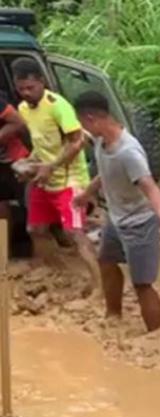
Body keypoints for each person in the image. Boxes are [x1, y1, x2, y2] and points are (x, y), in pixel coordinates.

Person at [72, 91, 160, 331]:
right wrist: (87, 193)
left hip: (140, 221)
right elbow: (105, 172)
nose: (81, 127)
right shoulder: (101, 141)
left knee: (142, 284)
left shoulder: (129, 152)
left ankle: (156, 336)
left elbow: (150, 188)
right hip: (116, 219)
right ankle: (113, 316)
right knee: (106, 262)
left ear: (90, 119)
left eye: (81, 122)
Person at [12, 58, 97, 289]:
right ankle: (58, 275)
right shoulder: (23, 109)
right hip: (44, 179)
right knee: (35, 230)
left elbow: (78, 142)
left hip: (70, 180)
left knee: (74, 232)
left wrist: (51, 166)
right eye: (21, 89)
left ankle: (99, 285)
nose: (26, 93)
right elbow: (41, 145)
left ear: (41, 81)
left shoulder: (58, 106)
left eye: (31, 87)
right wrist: (27, 164)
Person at [0, 93, 30, 257]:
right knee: (1, 203)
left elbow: (17, 122)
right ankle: (3, 254)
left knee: (30, 201)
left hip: (15, 158)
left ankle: (55, 246)